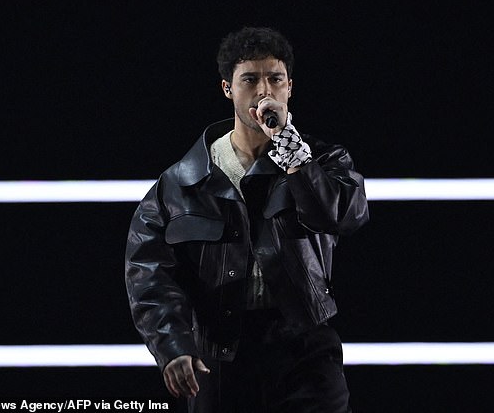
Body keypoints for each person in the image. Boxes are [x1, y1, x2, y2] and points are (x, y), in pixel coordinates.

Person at [125, 26, 369, 413]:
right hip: (221, 356)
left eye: (275, 79)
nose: (264, 91)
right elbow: (148, 270)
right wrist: (172, 345)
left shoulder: (322, 162)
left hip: (304, 348)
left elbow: (342, 216)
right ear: (227, 89)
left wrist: (290, 150)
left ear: (290, 87)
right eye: (250, 79)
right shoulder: (183, 181)